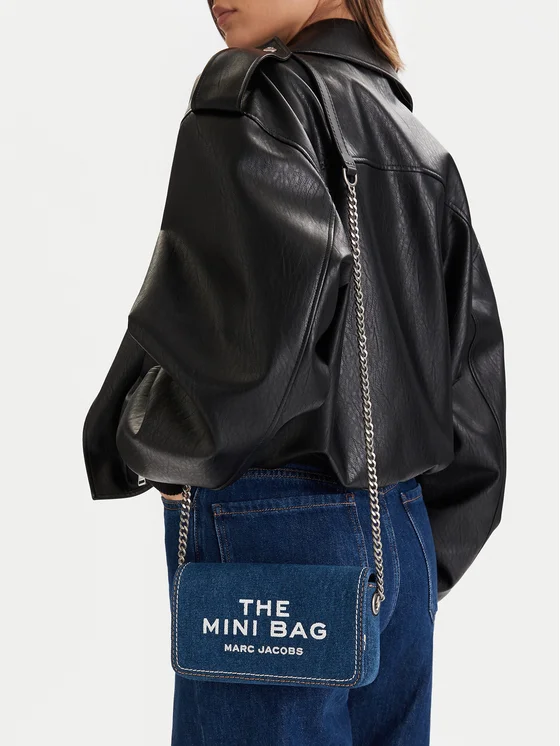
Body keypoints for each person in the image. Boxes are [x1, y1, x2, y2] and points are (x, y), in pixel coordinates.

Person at [82, 1, 507, 743]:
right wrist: (406, 559)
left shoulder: (258, 94)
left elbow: (252, 352)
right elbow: (474, 386)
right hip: (402, 532)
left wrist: (150, 444)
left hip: (270, 535)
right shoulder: (416, 139)